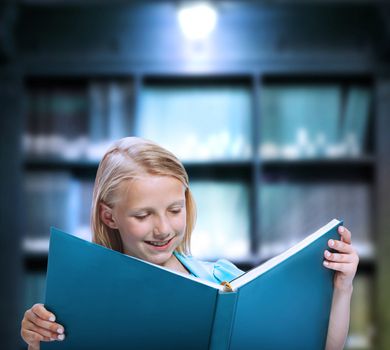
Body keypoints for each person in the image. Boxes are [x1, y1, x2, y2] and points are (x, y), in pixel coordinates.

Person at [21, 137, 359, 350]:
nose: (163, 228)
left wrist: (342, 288)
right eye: (143, 215)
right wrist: (36, 342)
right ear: (110, 217)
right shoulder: (81, 300)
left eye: (174, 210)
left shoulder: (225, 282)